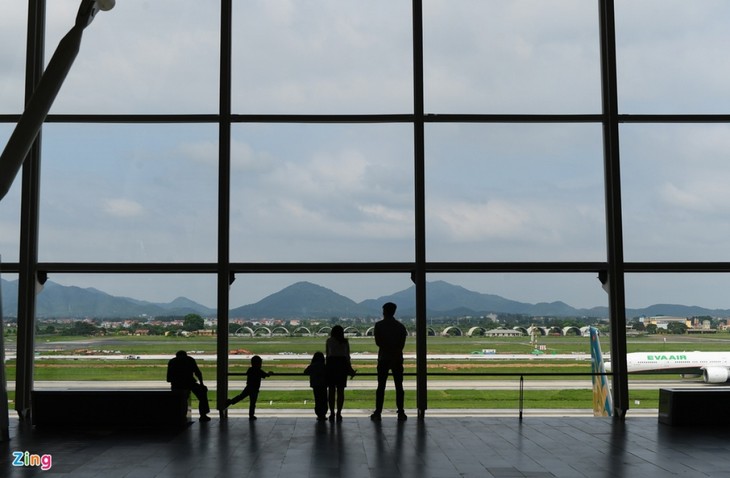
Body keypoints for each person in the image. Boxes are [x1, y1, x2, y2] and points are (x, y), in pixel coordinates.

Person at [371, 302, 408, 421]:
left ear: (384, 311)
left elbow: (378, 342)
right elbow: (401, 345)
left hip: (383, 358)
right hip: (397, 358)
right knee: (399, 386)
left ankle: (378, 412)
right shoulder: (400, 326)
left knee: (381, 386)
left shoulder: (379, 325)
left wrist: (387, 348)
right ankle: (401, 412)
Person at [167, 350, 211, 422]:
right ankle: (203, 415)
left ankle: (180, 416)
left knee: (180, 400)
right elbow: (197, 372)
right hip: (189, 382)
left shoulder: (172, 361)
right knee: (202, 394)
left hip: (177, 384)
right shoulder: (189, 360)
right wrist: (202, 384)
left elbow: (169, 378)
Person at [224, 355, 273, 420]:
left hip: (249, 387)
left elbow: (248, 374)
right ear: (258, 364)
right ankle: (251, 415)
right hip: (255, 389)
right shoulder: (259, 370)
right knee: (252, 403)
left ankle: (230, 402)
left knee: (240, 397)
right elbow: (266, 375)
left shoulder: (250, 369)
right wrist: (270, 373)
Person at [325, 325, 355, 422]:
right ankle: (339, 413)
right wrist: (350, 369)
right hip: (342, 366)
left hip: (331, 365)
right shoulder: (345, 342)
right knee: (341, 391)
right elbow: (347, 356)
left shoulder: (329, 341)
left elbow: (327, 355)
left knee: (331, 391)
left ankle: (332, 413)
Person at [303, 351, 328, 421]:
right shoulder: (324, 366)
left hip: (315, 385)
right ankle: (323, 414)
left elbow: (305, 372)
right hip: (323, 385)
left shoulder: (313, 366)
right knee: (324, 400)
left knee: (318, 400)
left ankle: (319, 414)